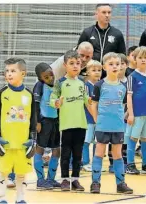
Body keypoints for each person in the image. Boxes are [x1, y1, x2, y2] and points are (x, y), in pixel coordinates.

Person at [0, 58, 36, 203]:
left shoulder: (29, 94)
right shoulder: (2, 93)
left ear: (23, 73)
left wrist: (33, 139)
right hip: (5, 143)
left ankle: (20, 198)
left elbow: (33, 119)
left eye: (13, 71)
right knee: (3, 172)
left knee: (21, 174)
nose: (9, 74)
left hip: (23, 143)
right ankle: (1, 198)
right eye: (7, 71)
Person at [90, 52, 133, 194]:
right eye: (111, 64)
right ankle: (95, 183)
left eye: (118, 64)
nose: (115, 67)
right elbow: (93, 105)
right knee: (99, 153)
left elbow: (124, 105)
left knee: (118, 154)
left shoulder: (122, 86)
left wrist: (123, 117)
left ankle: (121, 184)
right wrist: (97, 120)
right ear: (104, 67)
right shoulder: (99, 85)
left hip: (118, 127)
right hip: (103, 125)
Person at [50, 50, 90, 191]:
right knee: (66, 154)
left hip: (81, 123)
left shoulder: (82, 83)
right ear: (65, 65)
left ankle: (75, 180)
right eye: (72, 63)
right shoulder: (60, 83)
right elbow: (52, 99)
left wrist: (92, 100)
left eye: (78, 64)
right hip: (67, 124)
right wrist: (56, 103)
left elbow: (87, 100)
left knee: (78, 155)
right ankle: (65, 179)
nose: (75, 66)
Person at [125, 46, 146, 175]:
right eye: (140, 58)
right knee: (132, 139)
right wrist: (131, 114)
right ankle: (130, 164)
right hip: (137, 114)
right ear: (134, 59)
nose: (143, 60)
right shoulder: (132, 76)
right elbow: (129, 96)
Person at [32, 63, 62, 189]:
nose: (50, 78)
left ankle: (51, 179)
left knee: (56, 150)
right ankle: (40, 180)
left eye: (51, 74)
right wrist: (37, 122)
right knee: (40, 149)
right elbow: (35, 106)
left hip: (55, 122)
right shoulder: (39, 86)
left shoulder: (57, 85)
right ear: (40, 78)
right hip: (44, 122)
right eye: (46, 77)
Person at [82, 60, 103, 172]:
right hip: (89, 119)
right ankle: (85, 162)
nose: (97, 72)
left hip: (100, 119)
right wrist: (95, 116)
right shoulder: (86, 86)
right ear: (87, 72)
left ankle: (96, 162)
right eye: (94, 70)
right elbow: (87, 103)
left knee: (98, 141)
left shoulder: (102, 85)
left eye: (99, 70)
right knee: (87, 140)